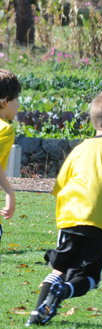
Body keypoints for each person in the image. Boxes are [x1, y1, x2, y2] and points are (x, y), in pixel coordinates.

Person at [26, 91, 102, 326]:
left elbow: (59, 185)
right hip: (99, 220)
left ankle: (36, 316)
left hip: (69, 217)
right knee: (90, 278)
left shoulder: (79, 149)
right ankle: (63, 291)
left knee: (59, 268)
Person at [0, 69, 19, 240]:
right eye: (16, 99)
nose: (18, 105)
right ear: (5, 101)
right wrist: (9, 193)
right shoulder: (5, 129)